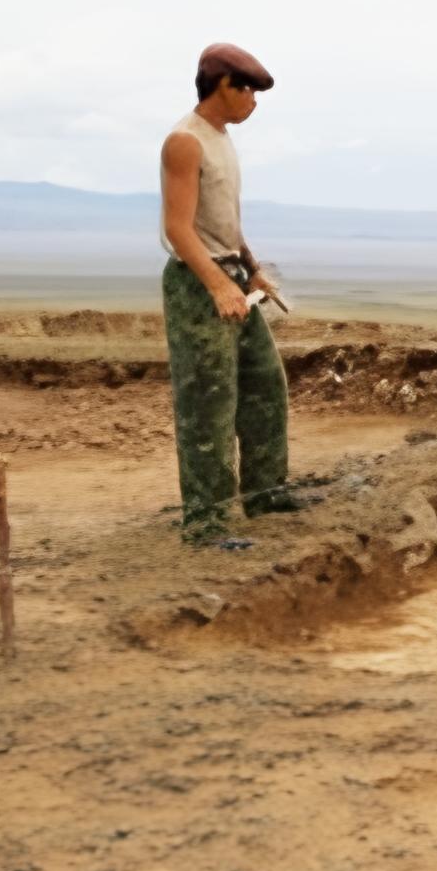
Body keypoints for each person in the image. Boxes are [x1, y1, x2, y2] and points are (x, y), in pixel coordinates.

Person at [159, 43, 293, 545]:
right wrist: (216, 284)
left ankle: (266, 494)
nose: (254, 103)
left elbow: (221, 222)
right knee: (208, 402)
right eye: (250, 92)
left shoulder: (220, 139)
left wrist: (251, 271)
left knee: (264, 385)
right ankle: (207, 521)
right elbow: (178, 227)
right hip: (198, 283)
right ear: (224, 86)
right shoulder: (184, 141)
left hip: (231, 275)